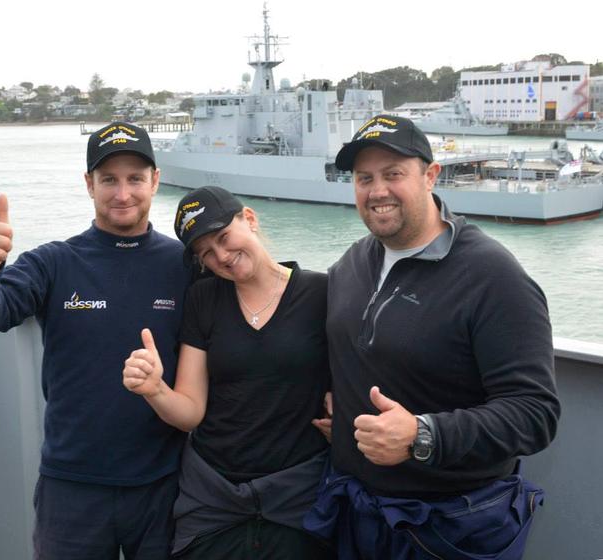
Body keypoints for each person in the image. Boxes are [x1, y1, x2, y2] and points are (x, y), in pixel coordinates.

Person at [303, 114, 561, 559]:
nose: (377, 190)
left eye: (393, 174)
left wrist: (423, 435)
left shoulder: (492, 276)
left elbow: (535, 413)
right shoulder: (353, 262)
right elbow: (353, 346)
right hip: (357, 510)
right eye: (364, 178)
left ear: (431, 176)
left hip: (448, 526)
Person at [0, 122, 190, 559]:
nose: (123, 194)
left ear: (155, 180)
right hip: (72, 485)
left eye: (135, 178)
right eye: (108, 180)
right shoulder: (53, 262)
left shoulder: (185, 264)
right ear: (88, 185)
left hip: (164, 483)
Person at [123, 186, 334, 559]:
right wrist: (154, 389)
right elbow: (191, 411)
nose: (221, 256)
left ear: (249, 219)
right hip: (213, 497)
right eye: (206, 252)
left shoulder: (323, 293)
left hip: (296, 498)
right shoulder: (204, 299)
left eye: (223, 237)